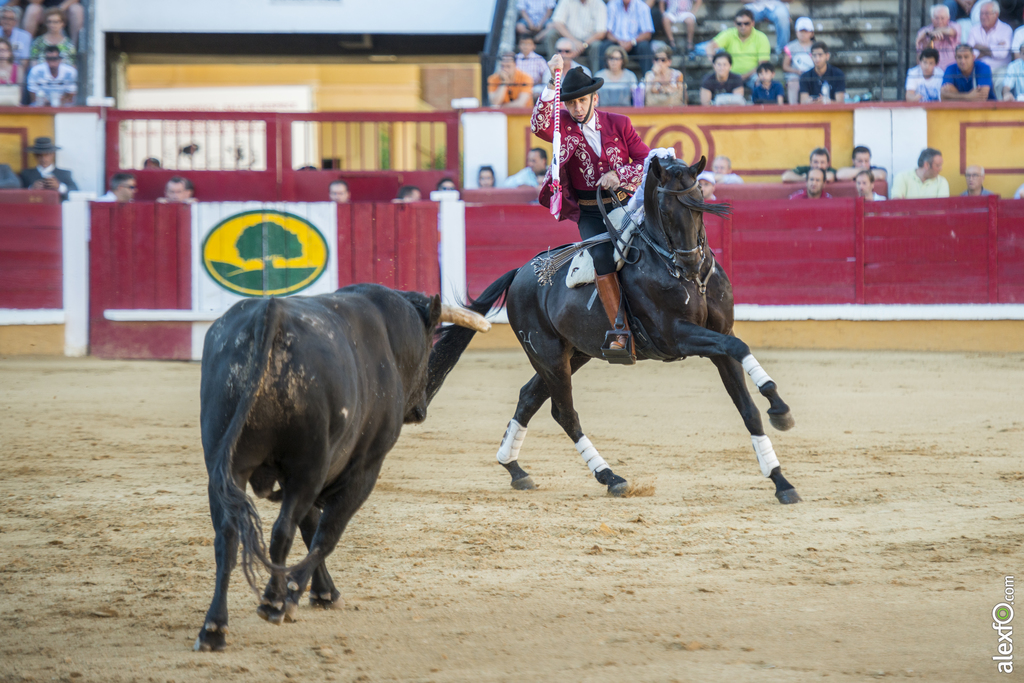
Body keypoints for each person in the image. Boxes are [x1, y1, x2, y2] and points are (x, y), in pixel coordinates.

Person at [531, 58, 651, 357]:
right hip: (590, 213)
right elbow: (538, 124)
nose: (577, 108)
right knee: (601, 256)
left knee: (654, 246)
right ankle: (620, 331)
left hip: (625, 206)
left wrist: (619, 175)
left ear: (594, 98)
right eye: (570, 103)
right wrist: (551, 81)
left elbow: (645, 161)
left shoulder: (619, 123)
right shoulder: (562, 127)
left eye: (582, 101)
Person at [705, 9, 771, 86]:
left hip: (753, 75)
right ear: (735, 24)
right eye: (739, 23)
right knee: (709, 81)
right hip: (729, 75)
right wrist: (716, 64)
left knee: (762, 81)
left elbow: (762, 64)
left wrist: (743, 76)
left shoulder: (761, 37)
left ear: (753, 23)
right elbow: (710, 46)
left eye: (746, 23)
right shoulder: (729, 33)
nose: (743, 26)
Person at [548, 0, 608, 74]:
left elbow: (601, 32)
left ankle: (595, 76)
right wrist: (574, 42)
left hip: (588, 42)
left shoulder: (599, 4)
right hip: (568, 38)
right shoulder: (566, 1)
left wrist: (583, 44)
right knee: (551, 34)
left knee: (597, 45)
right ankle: (553, 69)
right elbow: (557, 23)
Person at [599, 0, 655, 75]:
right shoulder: (612, 5)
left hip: (635, 43)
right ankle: (601, 79)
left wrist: (632, 41)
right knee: (605, 46)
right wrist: (619, 41)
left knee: (644, 46)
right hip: (617, 43)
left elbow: (647, 33)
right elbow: (608, 33)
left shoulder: (642, 6)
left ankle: (647, 78)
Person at [20, 136, 76, 200]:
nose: (43, 159)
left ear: (53, 155)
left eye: (47, 155)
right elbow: (18, 193)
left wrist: (59, 187)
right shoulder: (26, 174)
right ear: (35, 156)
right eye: (40, 155)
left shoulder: (64, 174)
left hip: (56, 207)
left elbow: (75, 191)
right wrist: (31, 188)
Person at [968, 0, 1013, 71]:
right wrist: (995, 47)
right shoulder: (974, 30)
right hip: (979, 69)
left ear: (996, 14)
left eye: (986, 13)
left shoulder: (1006, 29)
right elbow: (970, 54)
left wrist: (980, 48)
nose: (983, 17)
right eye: (981, 13)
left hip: (1000, 69)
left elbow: (1002, 54)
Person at [917, 5, 962, 71]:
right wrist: (930, 38)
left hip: (951, 71)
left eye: (942, 18)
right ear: (931, 18)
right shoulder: (924, 31)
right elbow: (919, 59)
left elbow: (951, 32)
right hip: (932, 72)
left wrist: (931, 32)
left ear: (948, 18)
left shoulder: (955, 26)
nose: (939, 21)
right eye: (936, 18)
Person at [0, 6, 30, 70]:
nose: (7, 21)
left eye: (10, 19)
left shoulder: (25, 36)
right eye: (4, 18)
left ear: (15, 21)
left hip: (17, 71)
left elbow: (24, 61)